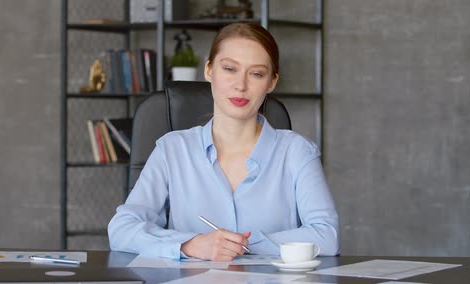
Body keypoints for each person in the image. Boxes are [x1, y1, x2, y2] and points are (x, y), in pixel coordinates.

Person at [108, 22, 339, 261]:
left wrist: (242, 244)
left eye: (257, 73)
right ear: (209, 70)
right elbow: (122, 229)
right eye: (229, 69)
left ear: (271, 82)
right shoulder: (172, 149)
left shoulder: (297, 152)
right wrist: (189, 245)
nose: (241, 85)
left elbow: (327, 235)